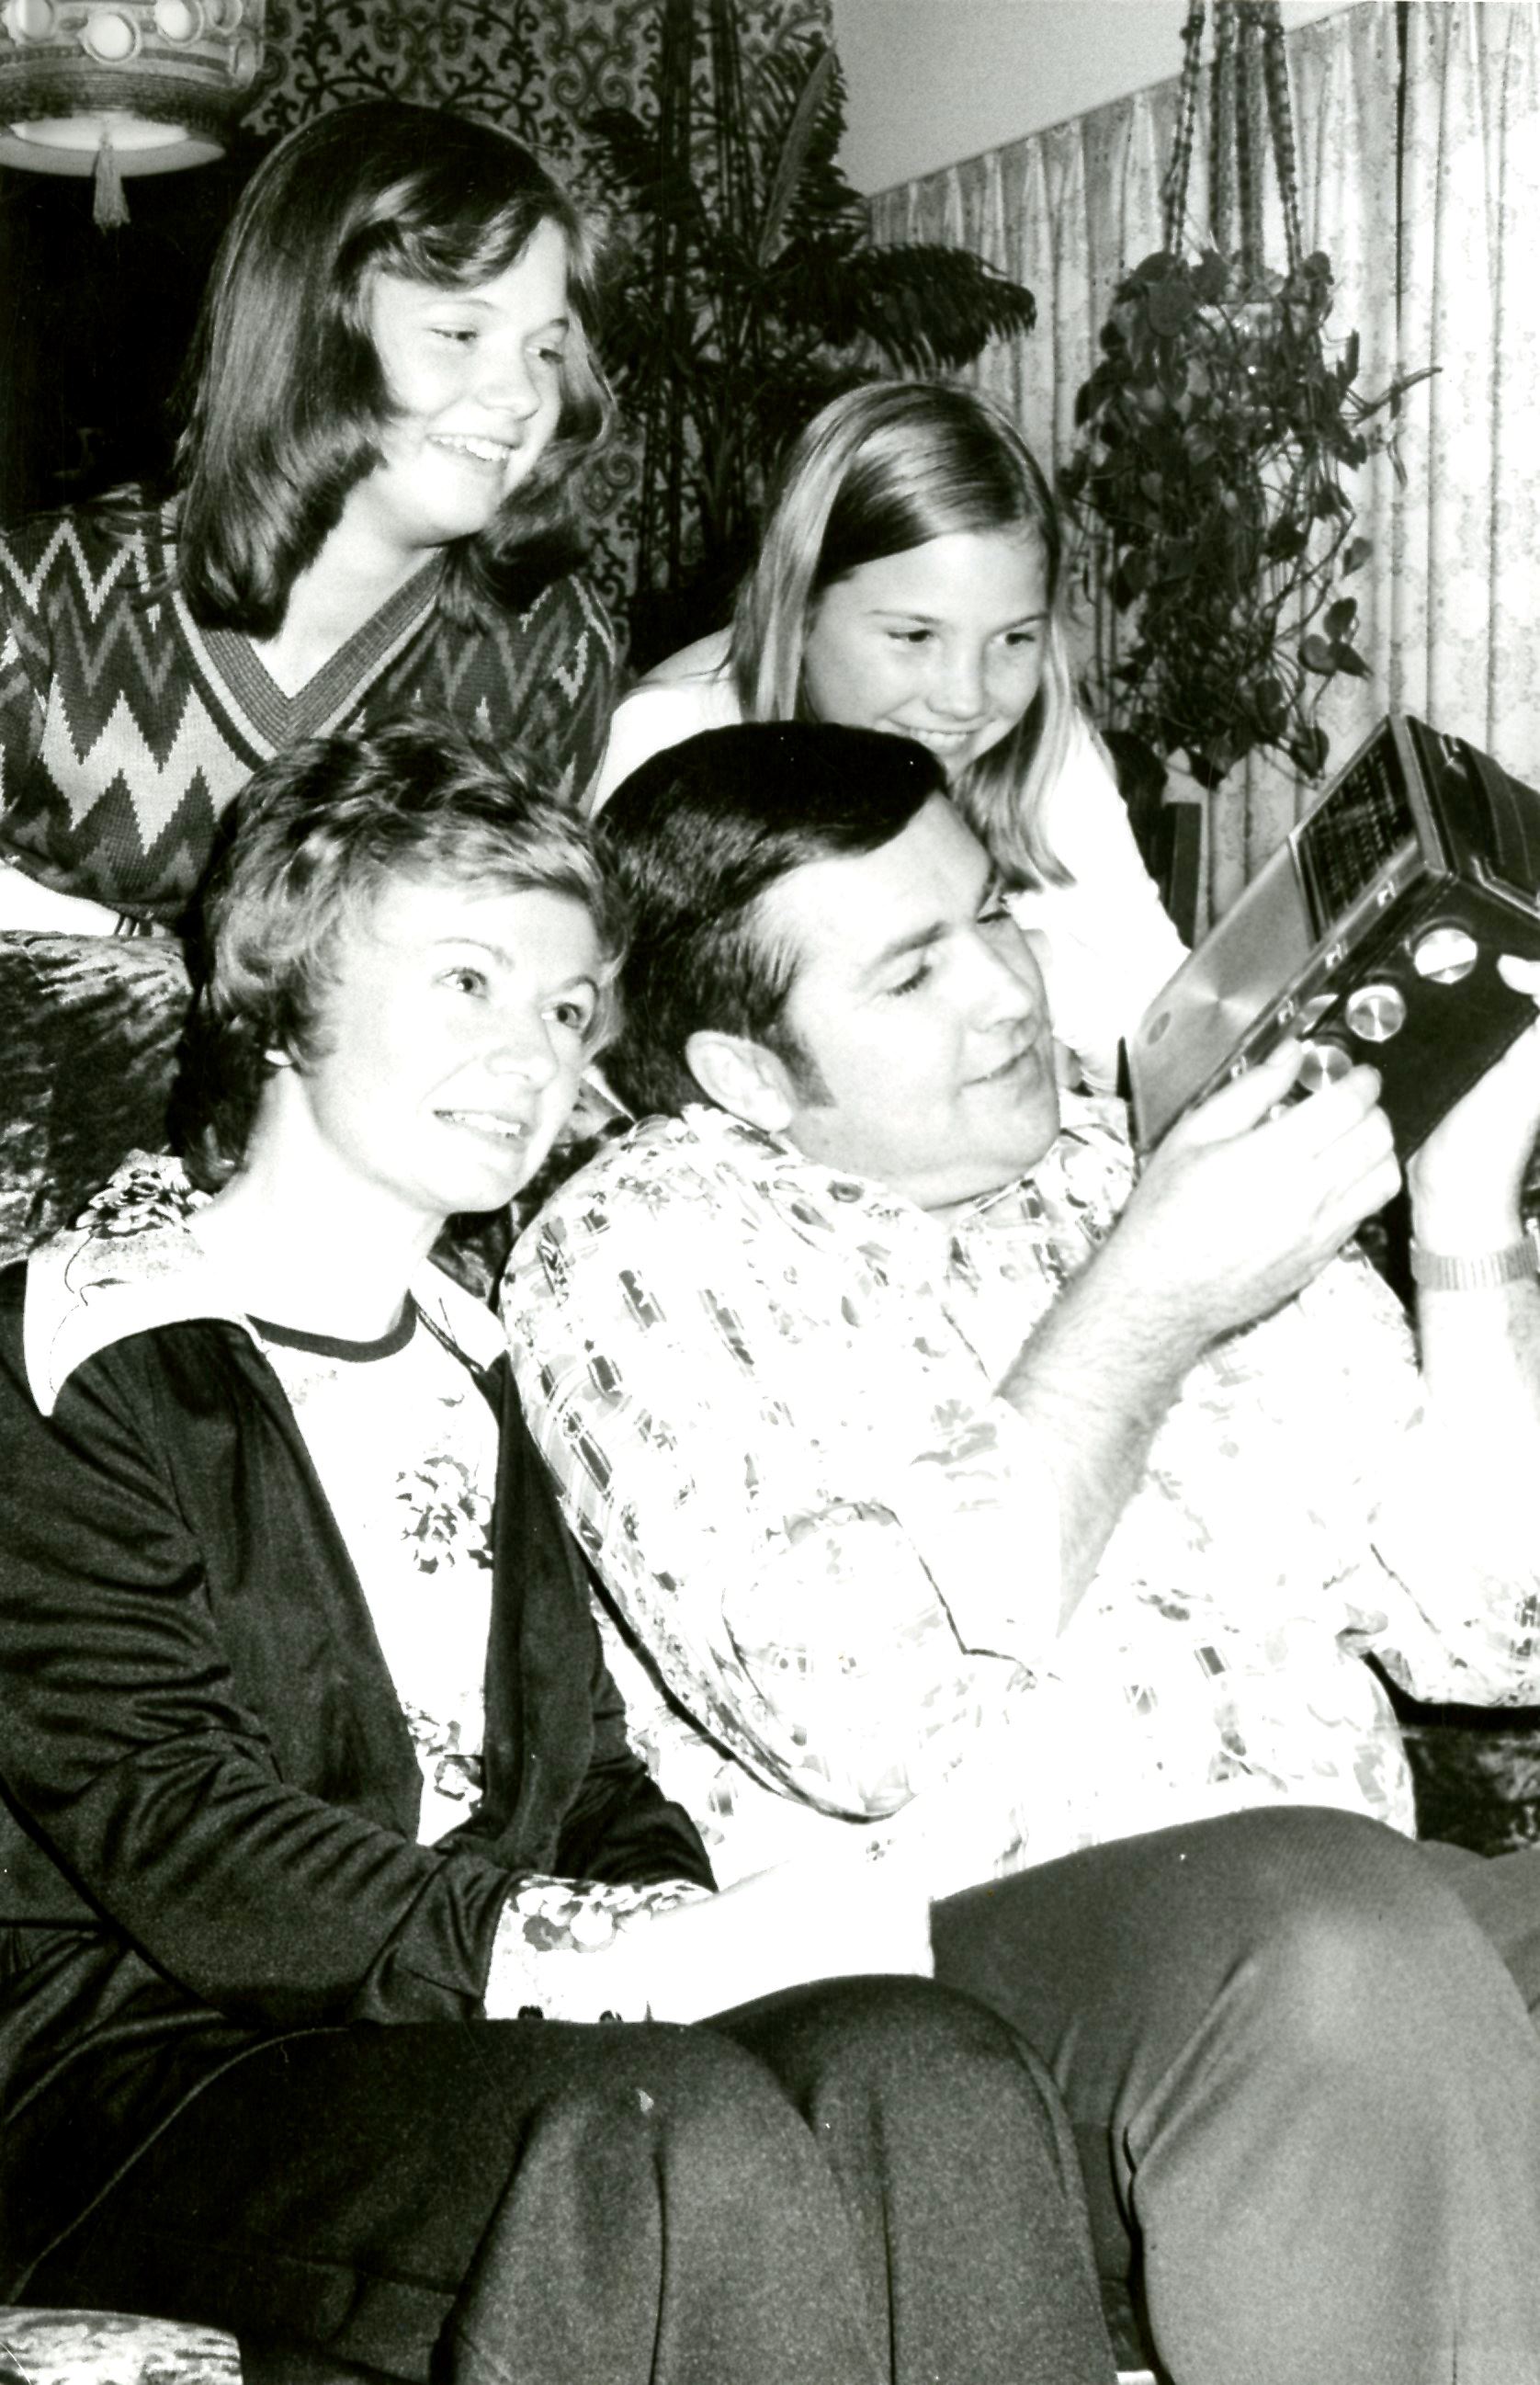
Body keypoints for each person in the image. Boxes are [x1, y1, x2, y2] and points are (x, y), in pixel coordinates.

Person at [0, 719, 1121, 2385]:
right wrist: (603, 1960)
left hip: (462, 2051)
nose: (529, 1054)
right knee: (666, 2138)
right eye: (467, 982)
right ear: (284, 990)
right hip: (153, 2087)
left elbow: (589, 1779)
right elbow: (177, 1825)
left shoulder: (481, 1362)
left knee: (923, 2058)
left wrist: (697, 1932)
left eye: (565, 1006)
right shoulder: (75, 1351)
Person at [505, 718, 1540, 2385]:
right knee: (1335, 1937)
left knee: (1361, 1932)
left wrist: (1467, 1224)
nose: (1004, 988)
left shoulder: (1142, 1160)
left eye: (990, 911)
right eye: (911, 972)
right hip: (947, 1998)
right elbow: (851, 1723)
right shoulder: (639, 1246)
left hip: (1351, 1938)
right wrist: (1149, 1300)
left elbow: (1493, 1636)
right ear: (748, 1076)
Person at [0, 99, 617, 946]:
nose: (522, 396)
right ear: (309, 335)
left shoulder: (550, 650)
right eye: (459, 332)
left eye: (545, 350)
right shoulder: (39, 606)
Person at [590, 380, 1186, 1089]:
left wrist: (1056, 971)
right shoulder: (670, 743)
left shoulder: (1039, 747)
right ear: (801, 606)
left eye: (1014, 638)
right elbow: (618, 1073)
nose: (966, 698)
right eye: (915, 636)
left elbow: (1184, 1037)